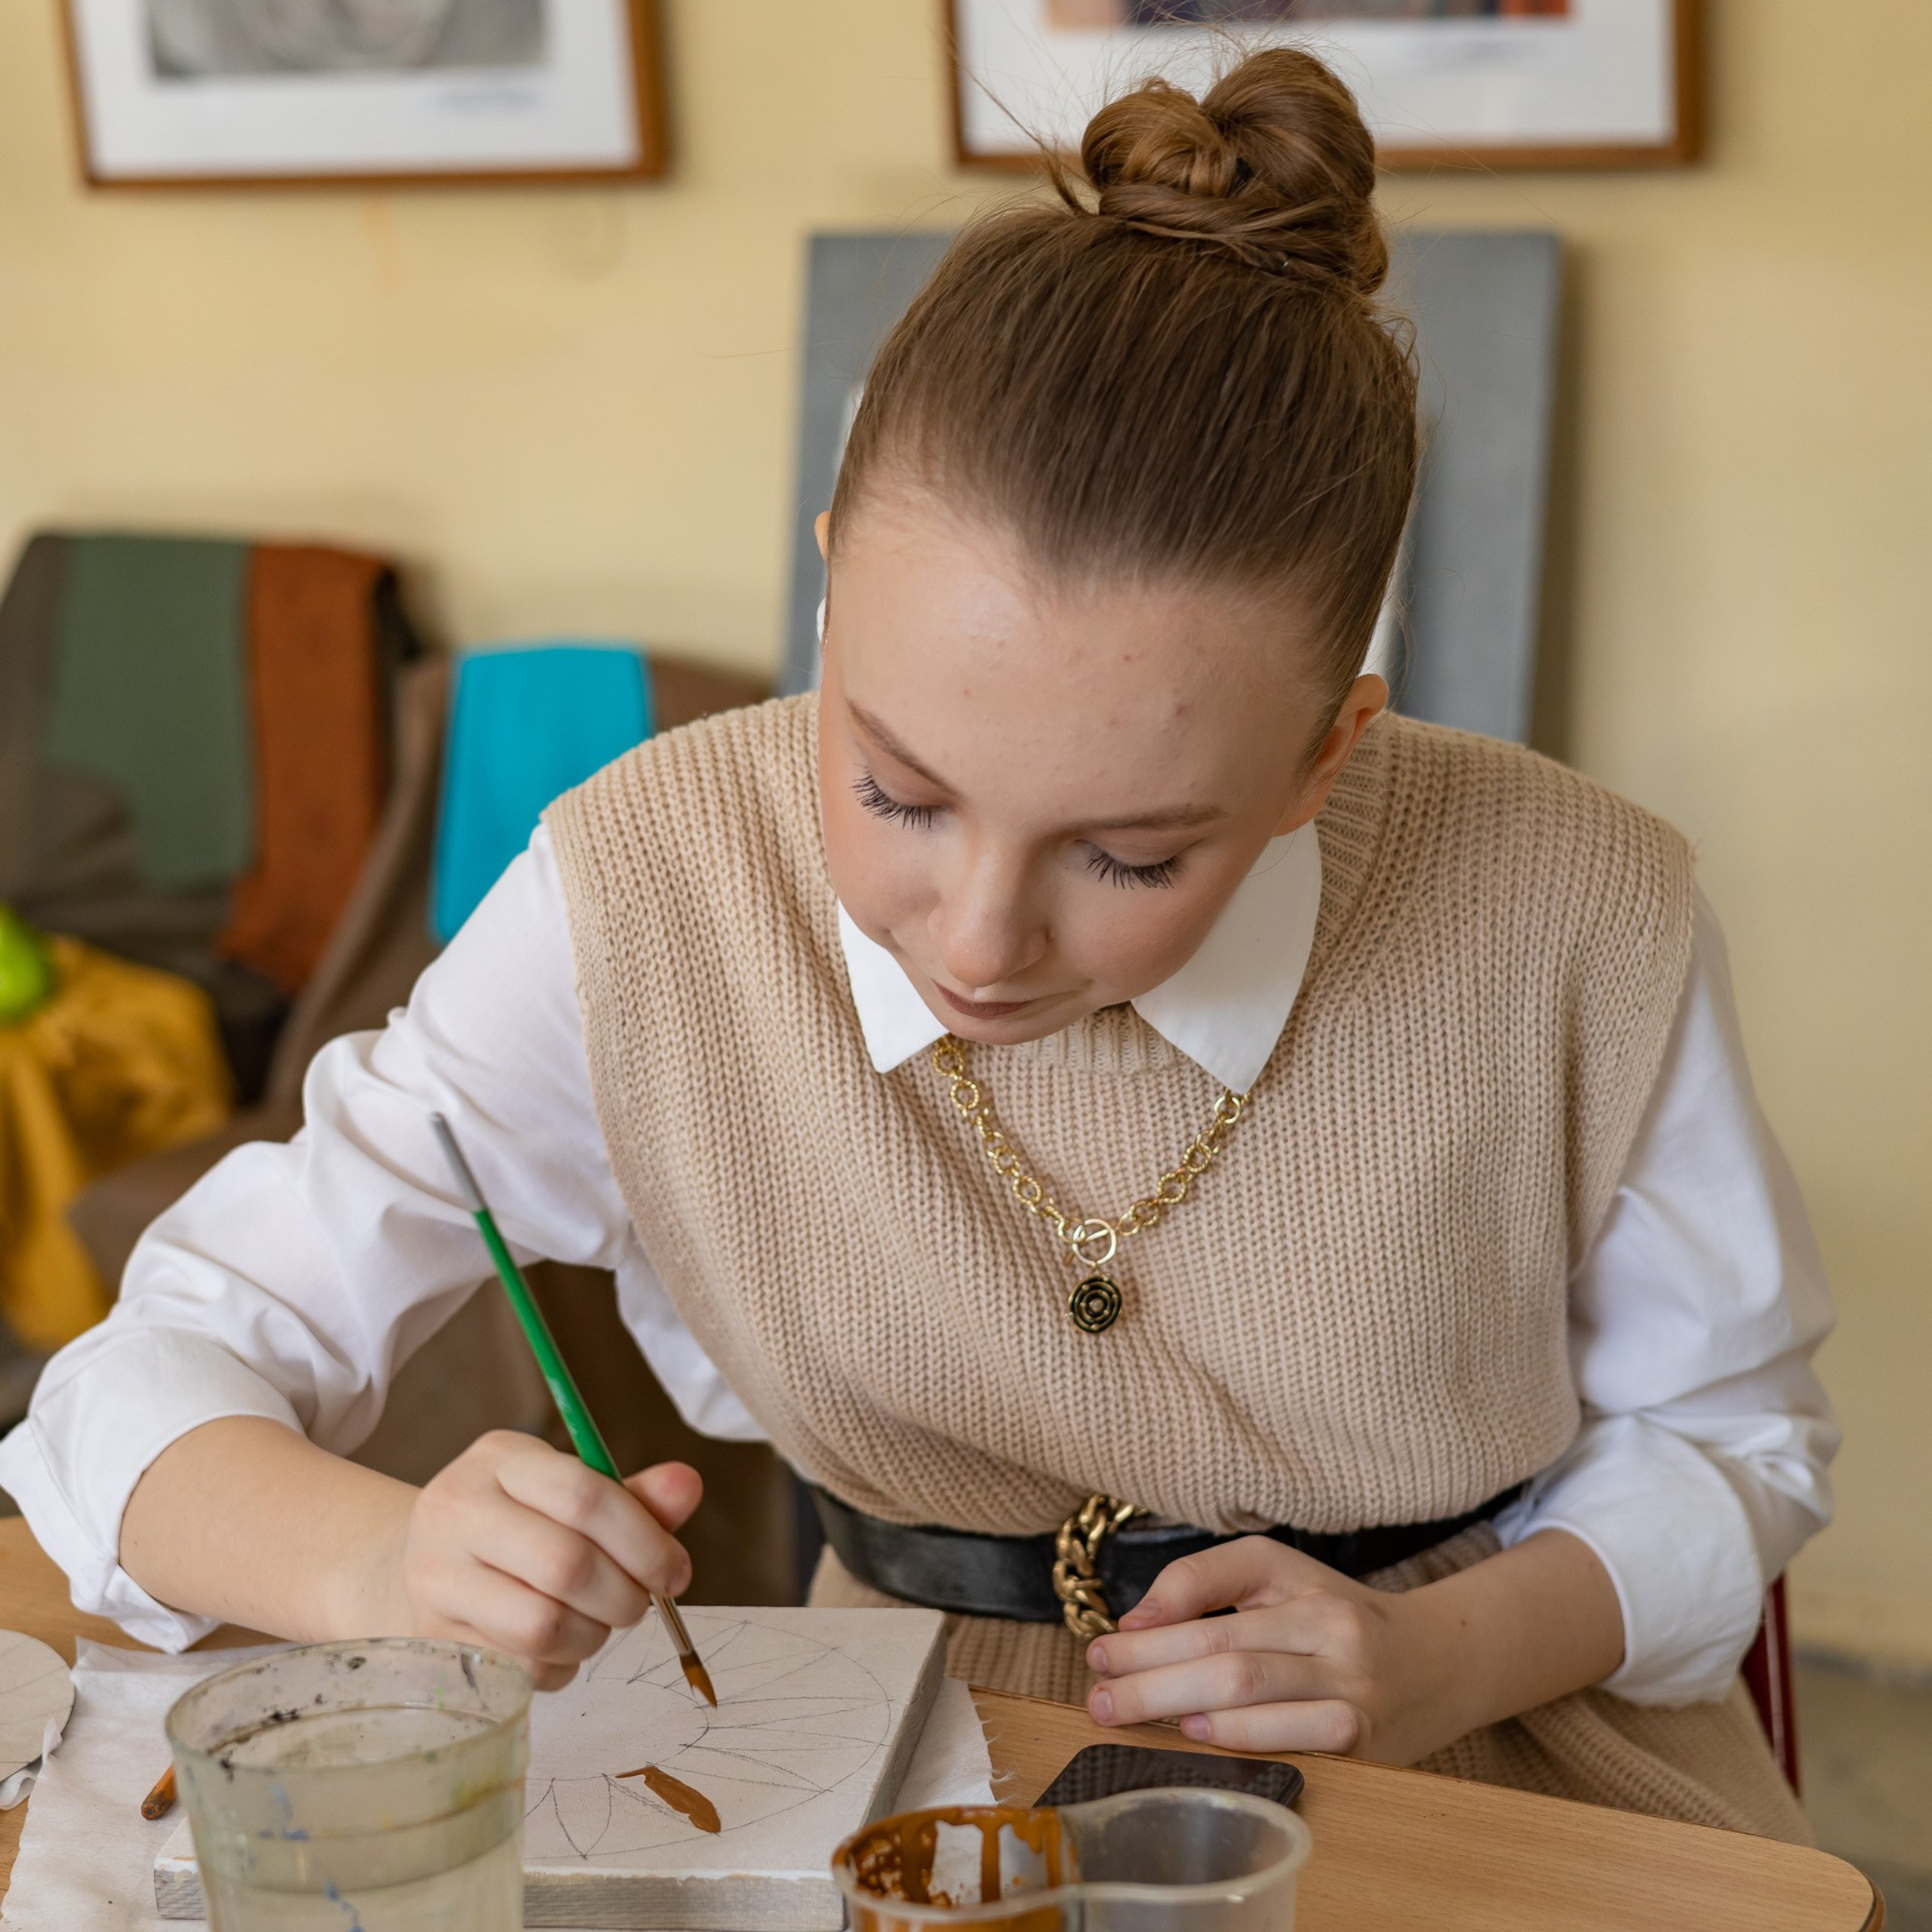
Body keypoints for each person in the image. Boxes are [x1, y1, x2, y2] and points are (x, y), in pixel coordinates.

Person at [0, 48, 1834, 1841]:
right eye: (894, 787)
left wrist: (1436, 1653)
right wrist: (379, 1554)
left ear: (1324, 755)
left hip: (1480, 1765)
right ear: (830, 590)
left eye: (1127, 853)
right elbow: (134, 1386)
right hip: (884, 1769)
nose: (975, 937)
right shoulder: (645, 884)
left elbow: (1731, 1444)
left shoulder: (1576, 904)